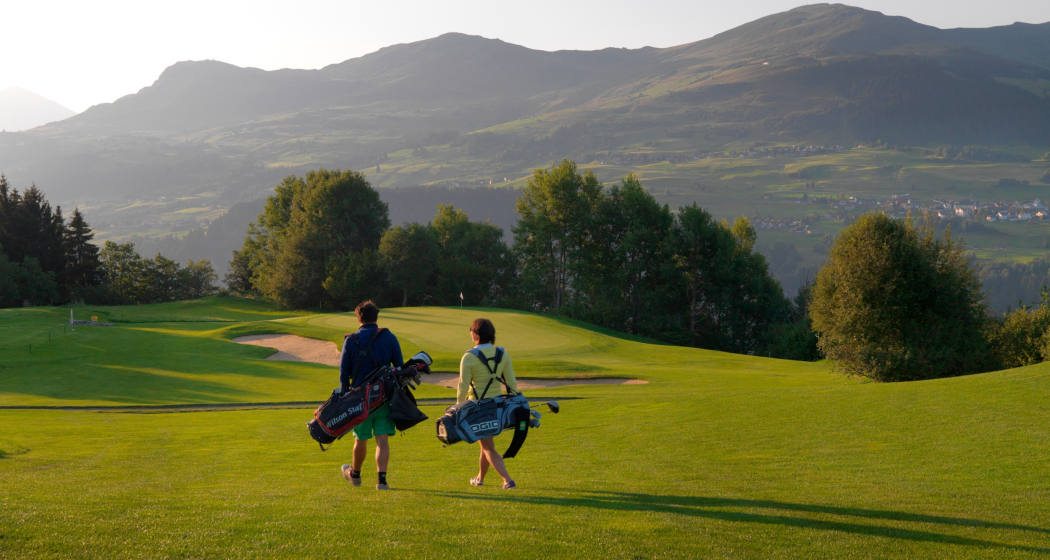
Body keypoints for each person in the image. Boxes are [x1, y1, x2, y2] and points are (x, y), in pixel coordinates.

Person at [340, 300, 404, 490]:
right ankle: (382, 481)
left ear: (358, 317)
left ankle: (356, 475)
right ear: (376, 317)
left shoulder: (351, 340)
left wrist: (345, 397)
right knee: (382, 439)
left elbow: (344, 373)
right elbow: (398, 366)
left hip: (360, 400)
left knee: (360, 438)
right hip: (384, 398)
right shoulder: (389, 337)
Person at [458, 318, 519, 489]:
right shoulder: (502, 353)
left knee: (487, 447)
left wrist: (457, 408)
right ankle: (480, 478)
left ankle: (508, 480)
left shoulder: (468, 357)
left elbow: (462, 387)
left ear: (475, 334)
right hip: (497, 406)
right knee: (485, 444)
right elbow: (512, 384)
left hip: (477, 409)